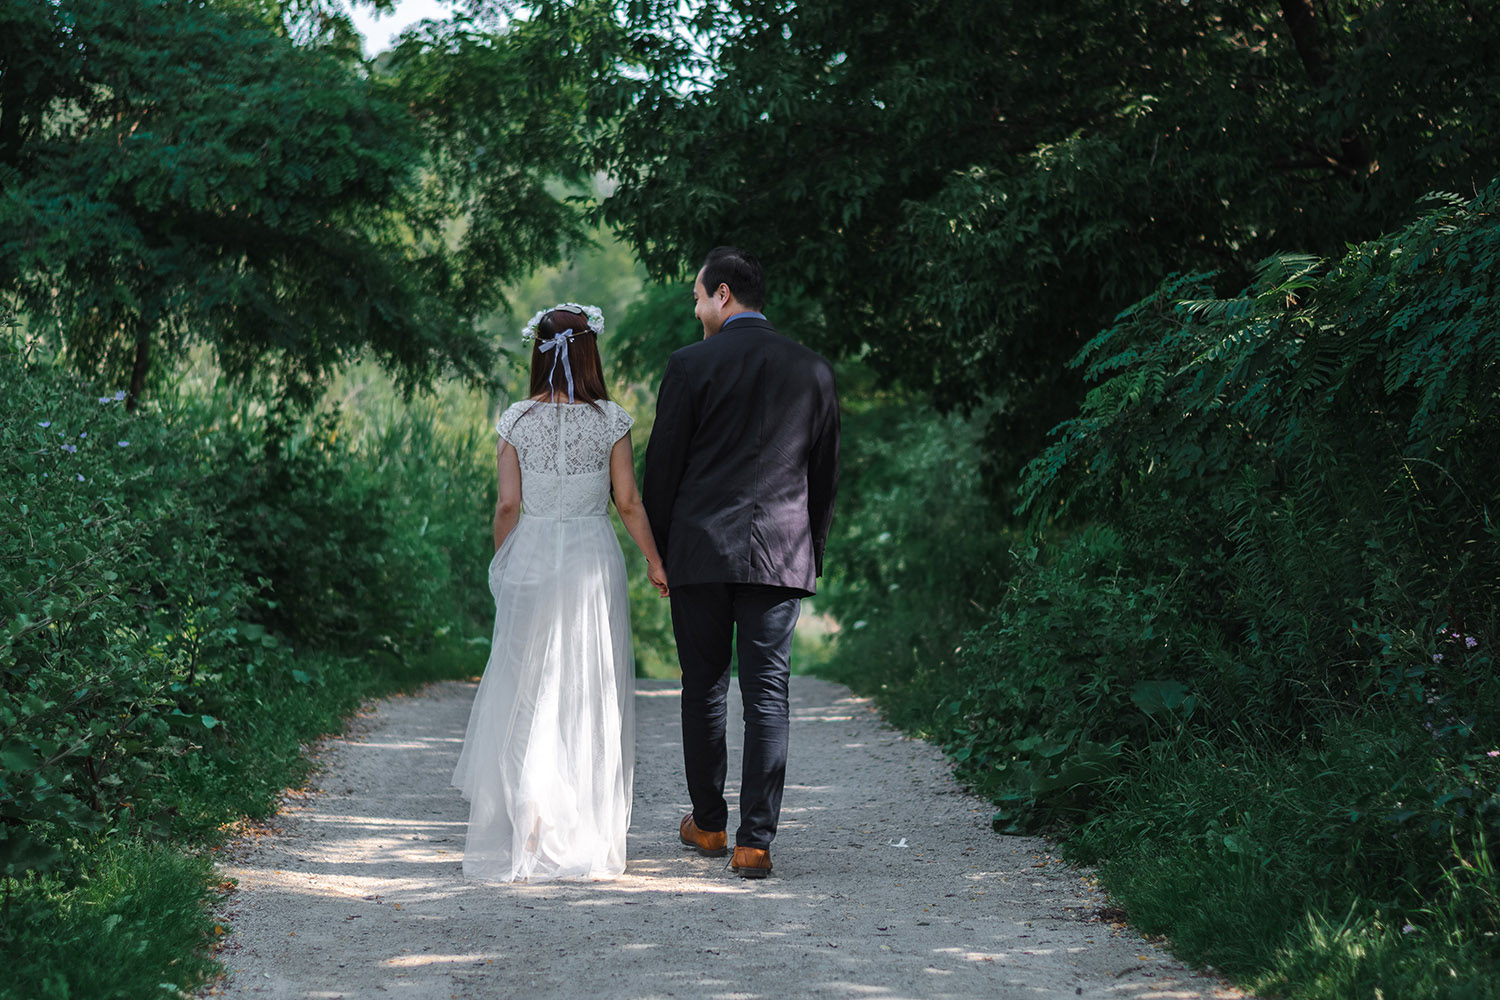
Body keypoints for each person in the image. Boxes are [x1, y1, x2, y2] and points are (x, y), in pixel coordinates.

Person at [451, 303, 668, 882]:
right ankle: (583, 830)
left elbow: (507, 506)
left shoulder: (516, 420)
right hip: (590, 559)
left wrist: (504, 564)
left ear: (539, 352)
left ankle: (529, 818)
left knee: (528, 686)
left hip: (532, 554)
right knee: (585, 685)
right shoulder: (611, 420)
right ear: (590, 352)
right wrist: (655, 560)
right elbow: (628, 503)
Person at [643, 247, 840, 878]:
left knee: (703, 686)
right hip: (781, 553)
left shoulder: (689, 365)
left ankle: (707, 825)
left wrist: (660, 551)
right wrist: (811, 550)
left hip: (699, 550)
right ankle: (755, 843)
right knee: (768, 694)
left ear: (722, 294)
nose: (695, 308)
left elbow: (662, 468)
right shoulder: (813, 369)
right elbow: (823, 476)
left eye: (698, 296)